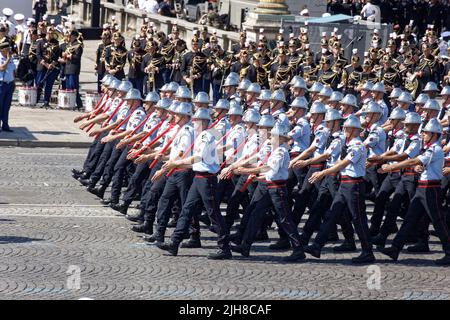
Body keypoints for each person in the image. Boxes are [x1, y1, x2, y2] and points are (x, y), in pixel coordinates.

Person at [0, 41, 16, 132]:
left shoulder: (11, 58)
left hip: (10, 84)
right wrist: (8, 60)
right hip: (1, 84)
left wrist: (13, 82)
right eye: (7, 49)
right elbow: (2, 68)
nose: (9, 51)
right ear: (2, 50)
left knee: (7, 106)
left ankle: (5, 125)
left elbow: (13, 71)